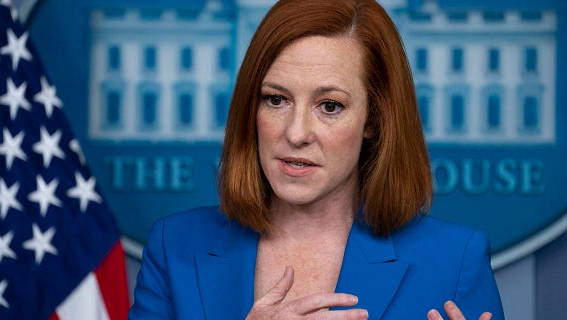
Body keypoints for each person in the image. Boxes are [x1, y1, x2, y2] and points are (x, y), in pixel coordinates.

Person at [129, 0, 504, 319]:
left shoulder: (455, 261)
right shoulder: (174, 245)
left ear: (373, 119)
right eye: (276, 99)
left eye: (329, 106)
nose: (296, 133)